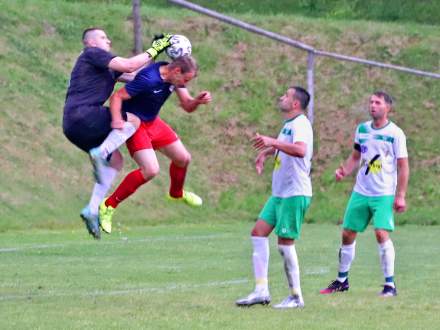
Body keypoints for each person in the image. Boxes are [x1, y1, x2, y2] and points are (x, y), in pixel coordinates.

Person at [63, 27, 171, 239]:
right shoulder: (91, 54)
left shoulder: (107, 67)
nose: (109, 41)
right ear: (90, 43)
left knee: (117, 161)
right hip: (83, 115)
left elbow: (138, 76)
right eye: (104, 37)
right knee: (132, 119)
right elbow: (129, 64)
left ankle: (92, 209)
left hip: (73, 126)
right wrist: (154, 48)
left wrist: (161, 59)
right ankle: (101, 153)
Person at [98, 55, 212, 234]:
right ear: (176, 71)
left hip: (152, 122)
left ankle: (176, 194)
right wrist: (117, 120)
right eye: (185, 79)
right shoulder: (149, 79)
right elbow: (117, 96)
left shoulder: (174, 78)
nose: (185, 84)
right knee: (150, 170)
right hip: (136, 124)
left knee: (183, 158)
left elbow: (188, 106)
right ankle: (108, 205)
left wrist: (197, 101)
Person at [320, 91, 409, 297]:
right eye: (370, 102)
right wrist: (344, 170)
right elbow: (355, 156)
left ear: (388, 107)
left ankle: (389, 285)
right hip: (361, 191)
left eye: (377, 102)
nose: (372, 105)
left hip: (384, 193)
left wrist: (401, 195)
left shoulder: (396, 133)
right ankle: (342, 281)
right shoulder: (362, 129)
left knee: (380, 232)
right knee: (347, 233)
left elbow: (403, 166)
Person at [236, 86, 313, 309]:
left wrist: (272, 142)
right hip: (280, 193)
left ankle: (296, 297)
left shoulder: (301, 124)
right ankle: (261, 290)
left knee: (285, 245)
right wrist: (265, 152)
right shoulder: (289, 125)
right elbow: (283, 146)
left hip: (294, 192)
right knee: (258, 233)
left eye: (286, 96)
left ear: (296, 104)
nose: (281, 97)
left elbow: (300, 150)